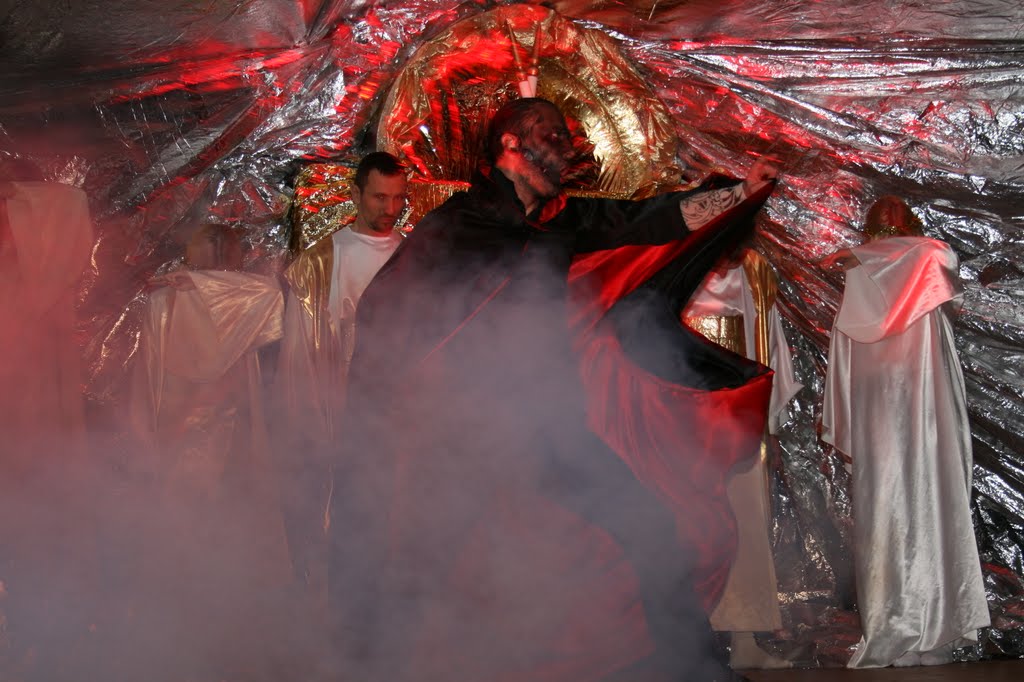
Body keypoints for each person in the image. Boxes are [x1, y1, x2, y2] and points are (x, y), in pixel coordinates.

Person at [328, 98, 779, 682]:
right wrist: (397, 401)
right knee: (427, 561)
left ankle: (692, 666)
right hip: (467, 438)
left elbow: (647, 219)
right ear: (511, 145)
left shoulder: (561, 219)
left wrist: (738, 193)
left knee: (646, 524)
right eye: (554, 136)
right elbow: (388, 312)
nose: (569, 149)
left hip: (549, 429)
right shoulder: (458, 224)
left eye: (568, 138)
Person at [821, 196, 990, 668]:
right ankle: (895, 626)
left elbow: (940, 254)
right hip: (885, 415)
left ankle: (933, 628)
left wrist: (862, 254)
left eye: (895, 212)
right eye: (883, 215)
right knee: (888, 510)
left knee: (928, 501)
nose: (888, 215)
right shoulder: (865, 278)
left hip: (922, 413)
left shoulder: (920, 265)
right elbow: (844, 363)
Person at [129, 222, 291, 679]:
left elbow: (145, 378)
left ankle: (202, 632)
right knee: (206, 531)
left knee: (201, 531)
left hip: (196, 436)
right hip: (205, 434)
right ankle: (203, 632)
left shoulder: (207, 299)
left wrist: (196, 281)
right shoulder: (210, 301)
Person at [274, 151, 408, 604]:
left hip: (402, 414)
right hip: (345, 414)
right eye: (379, 197)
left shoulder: (412, 256)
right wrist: (313, 425)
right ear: (355, 195)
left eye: (398, 198)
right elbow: (300, 356)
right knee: (351, 523)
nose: (390, 209)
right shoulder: (322, 263)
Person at [0, 159, 96, 682]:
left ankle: (39, 639)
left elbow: (68, 207)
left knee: (33, 526)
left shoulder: (43, 223)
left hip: (30, 415)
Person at [684, 248, 801, 668]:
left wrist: (769, 426)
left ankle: (745, 640)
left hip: (736, 414)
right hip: (679, 410)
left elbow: (770, 345)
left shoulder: (752, 269)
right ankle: (680, 643)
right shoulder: (674, 253)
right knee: (680, 524)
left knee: (743, 521)